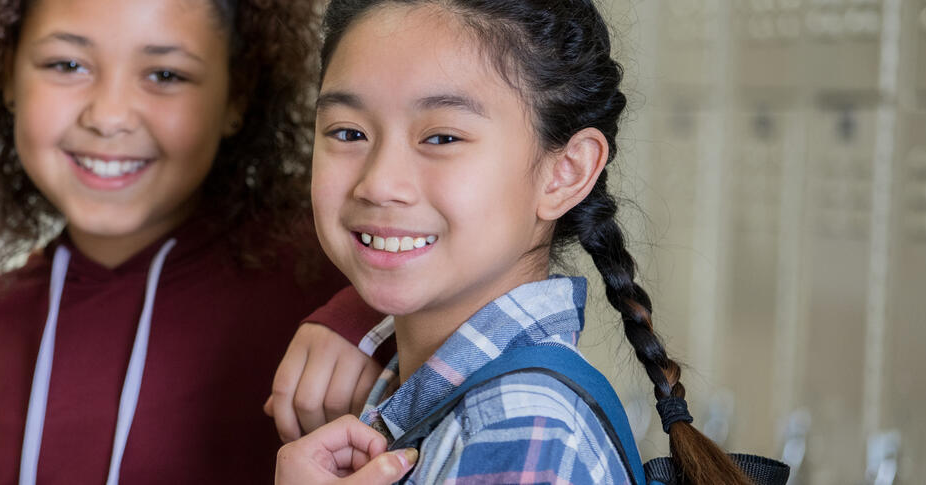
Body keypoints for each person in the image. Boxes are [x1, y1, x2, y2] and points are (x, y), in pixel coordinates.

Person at [276, 1, 757, 483]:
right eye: (348, 132)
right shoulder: (441, 397)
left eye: (442, 138)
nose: (378, 184)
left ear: (564, 173)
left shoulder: (520, 428)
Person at [0, 0, 390, 482]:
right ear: (8, 77)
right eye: (66, 65)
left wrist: (365, 316)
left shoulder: (339, 301)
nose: (109, 117)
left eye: (166, 75)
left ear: (237, 94)